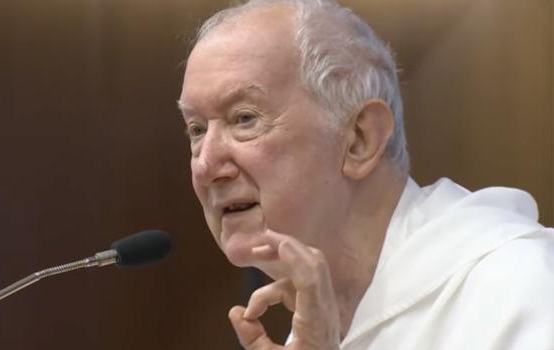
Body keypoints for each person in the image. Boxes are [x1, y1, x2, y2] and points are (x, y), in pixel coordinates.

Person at [178, 0, 554, 348]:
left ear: (360, 139)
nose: (205, 165)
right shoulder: (314, 328)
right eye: (196, 130)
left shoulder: (519, 285)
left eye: (244, 119)